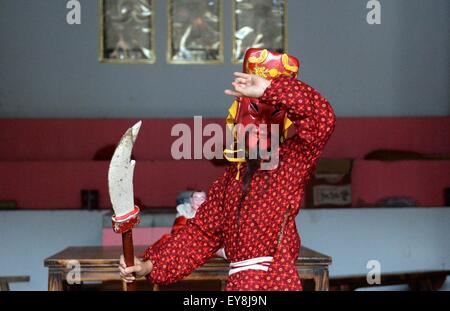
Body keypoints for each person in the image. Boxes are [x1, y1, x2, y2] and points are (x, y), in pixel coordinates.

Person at [119, 48, 336, 290]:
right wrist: (149, 265)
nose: (260, 126)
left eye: (272, 115)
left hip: (275, 282)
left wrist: (268, 89)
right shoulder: (229, 182)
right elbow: (200, 235)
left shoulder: (291, 161)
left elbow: (321, 121)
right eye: (254, 111)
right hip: (239, 286)